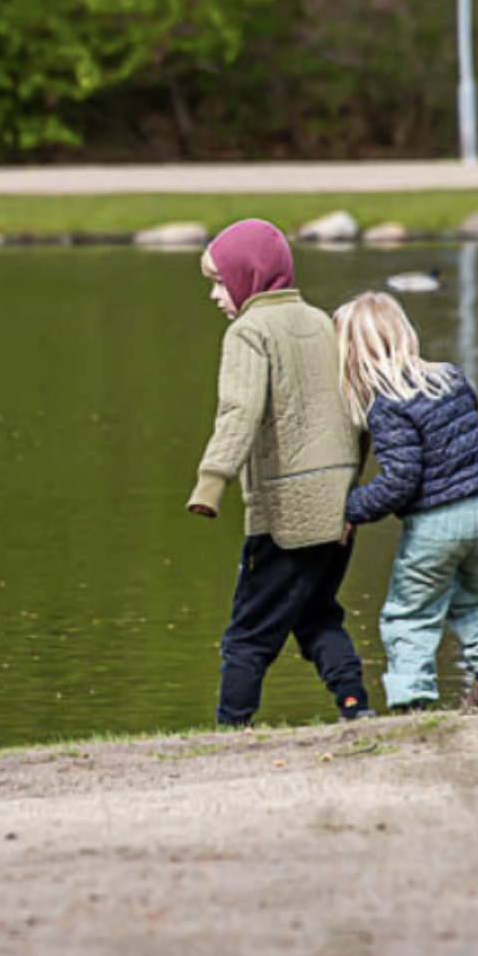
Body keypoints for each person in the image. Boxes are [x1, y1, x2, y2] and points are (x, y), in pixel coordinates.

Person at [186, 219, 371, 727]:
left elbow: (238, 412)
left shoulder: (248, 332)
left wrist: (211, 481)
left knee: (246, 634)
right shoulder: (323, 322)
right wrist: (350, 493)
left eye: (220, 281)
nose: (215, 295)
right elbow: (359, 414)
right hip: (338, 513)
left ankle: (230, 726)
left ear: (249, 274)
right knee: (316, 616)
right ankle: (356, 706)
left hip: (284, 516)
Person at [334, 292, 478, 711]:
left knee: (411, 612)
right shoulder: (450, 376)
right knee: (477, 598)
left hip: (441, 518)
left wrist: (350, 510)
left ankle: (412, 699)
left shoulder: (386, 405)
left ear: (350, 353)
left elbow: (400, 479)